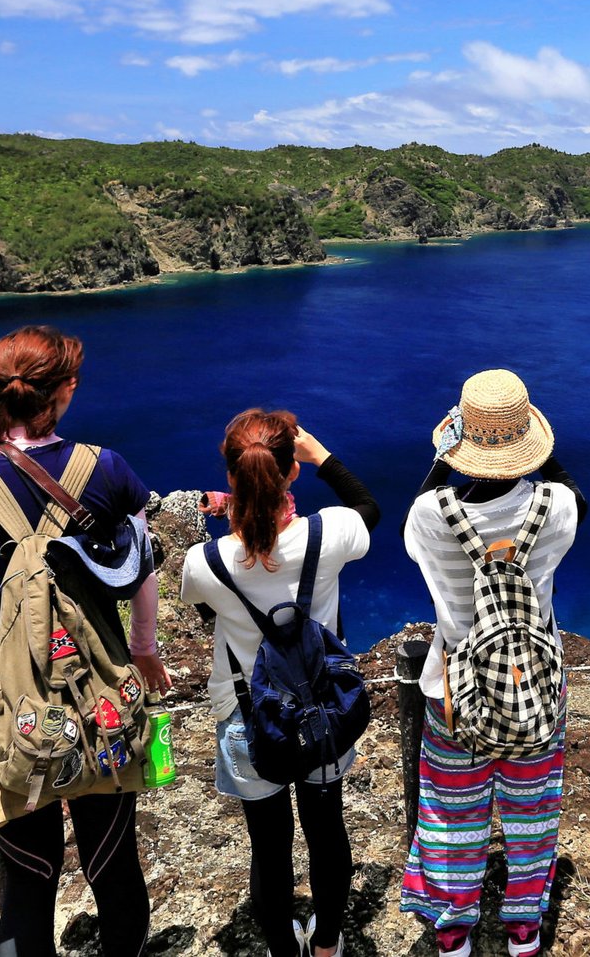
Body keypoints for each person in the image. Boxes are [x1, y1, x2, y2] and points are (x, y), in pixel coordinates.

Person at [0, 326, 170, 957]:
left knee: (26, 890)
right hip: (97, 691)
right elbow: (139, 574)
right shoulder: (106, 470)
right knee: (114, 868)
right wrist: (144, 647)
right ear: (66, 390)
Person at [400, 369, 587, 957]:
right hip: (537, 687)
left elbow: (421, 504)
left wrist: (443, 454)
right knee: (532, 811)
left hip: (455, 691)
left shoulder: (432, 517)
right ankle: (524, 929)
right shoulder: (556, 508)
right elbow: (575, 495)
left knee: (453, 813)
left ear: (462, 440)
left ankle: (455, 929)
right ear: (527, 440)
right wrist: (538, 451)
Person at [178, 409, 378, 957]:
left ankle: (283, 951)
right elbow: (369, 509)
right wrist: (323, 457)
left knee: (268, 848)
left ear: (230, 478)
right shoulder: (329, 534)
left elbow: (204, 608)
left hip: (248, 719)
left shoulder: (205, 562)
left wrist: (231, 517)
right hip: (323, 715)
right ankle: (328, 944)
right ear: (290, 473)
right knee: (326, 829)